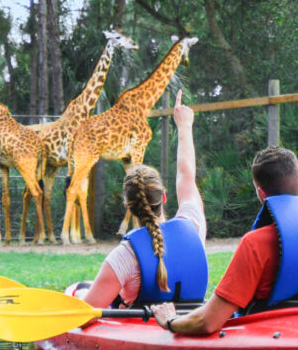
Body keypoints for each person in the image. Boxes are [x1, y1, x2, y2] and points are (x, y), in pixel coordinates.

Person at [152, 144, 298, 338]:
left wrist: (171, 321)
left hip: (268, 337)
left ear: (261, 193)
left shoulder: (256, 244)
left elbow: (208, 321)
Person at [73, 102, 205, 308]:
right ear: (164, 197)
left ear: (128, 207)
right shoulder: (193, 225)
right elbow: (186, 176)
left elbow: (85, 312)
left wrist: (79, 294)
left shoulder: (125, 256)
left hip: (142, 330)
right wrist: (185, 126)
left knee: (80, 289)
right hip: (191, 323)